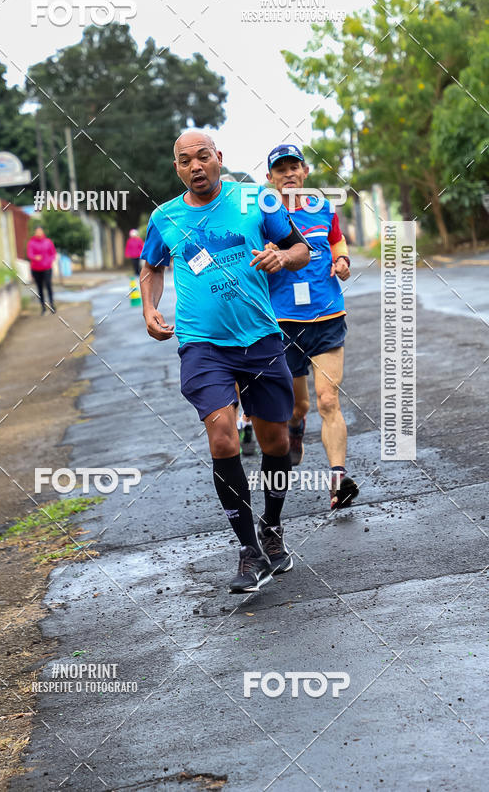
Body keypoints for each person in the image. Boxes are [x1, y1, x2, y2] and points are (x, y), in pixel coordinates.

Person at [140, 130, 311, 593]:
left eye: (202, 157)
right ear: (176, 169)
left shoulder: (258, 199)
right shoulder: (165, 218)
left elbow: (302, 249)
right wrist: (149, 306)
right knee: (222, 437)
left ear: (219, 158)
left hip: (259, 337)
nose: (195, 166)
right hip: (202, 344)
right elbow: (151, 266)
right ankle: (248, 551)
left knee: (275, 441)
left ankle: (271, 530)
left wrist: (282, 257)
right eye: (184, 161)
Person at [264, 143, 359, 510]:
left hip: (327, 315)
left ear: (305, 172)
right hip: (284, 322)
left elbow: (336, 240)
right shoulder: (262, 216)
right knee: (297, 407)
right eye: (280, 169)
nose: (288, 174)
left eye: (294, 167)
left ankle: (338, 480)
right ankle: (296, 428)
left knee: (328, 399)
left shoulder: (323, 208)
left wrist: (343, 259)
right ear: (269, 178)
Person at [27, 226, 57, 314]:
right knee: (39, 288)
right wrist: (35, 257)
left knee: (48, 286)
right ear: (35, 233)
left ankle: (52, 305)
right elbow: (29, 254)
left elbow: (53, 254)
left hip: (47, 268)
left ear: (42, 232)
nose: (39, 233)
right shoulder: (31, 243)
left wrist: (49, 261)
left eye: (40, 231)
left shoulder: (48, 242)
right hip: (36, 269)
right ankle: (43, 307)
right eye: (37, 231)